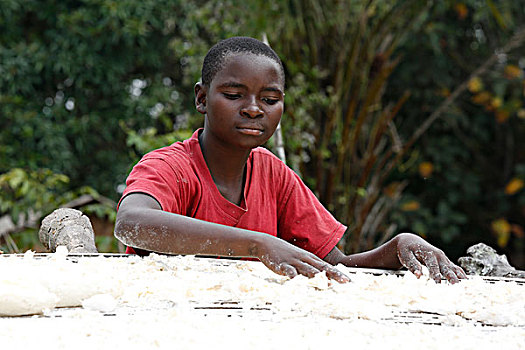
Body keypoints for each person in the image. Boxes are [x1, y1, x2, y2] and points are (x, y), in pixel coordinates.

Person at [114, 36, 466, 284]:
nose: (253, 109)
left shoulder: (273, 174)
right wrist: (256, 244)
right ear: (202, 98)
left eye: (269, 99)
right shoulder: (171, 167)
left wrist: (396, 248)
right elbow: (132, 223)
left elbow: (335, 267)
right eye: (234, 95)